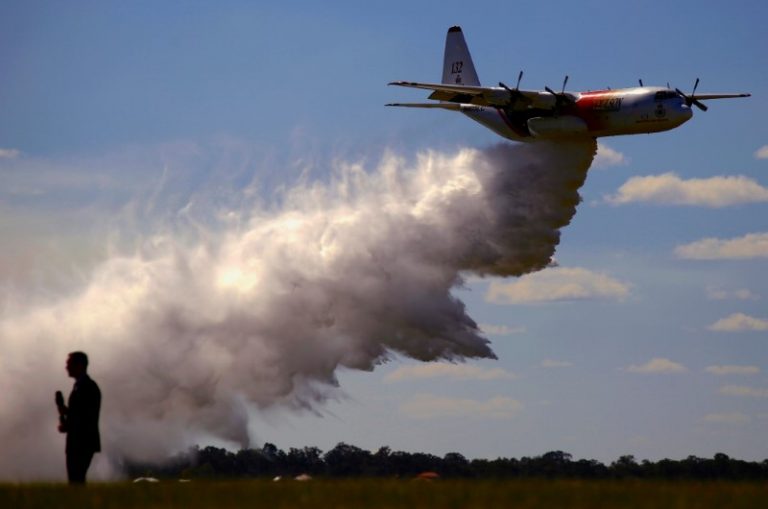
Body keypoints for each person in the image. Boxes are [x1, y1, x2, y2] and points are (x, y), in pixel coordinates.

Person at [56, 351, 101, 484]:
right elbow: (80, 413)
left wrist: (67, 424)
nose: (67, 367)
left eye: (69, 364)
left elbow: (85, 417)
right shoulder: (82, 386)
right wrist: (66, 412)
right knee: (76, 479)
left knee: (76, 480)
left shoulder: (88, 387)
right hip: (79, 442)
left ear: (80, 365)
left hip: (82, 442)